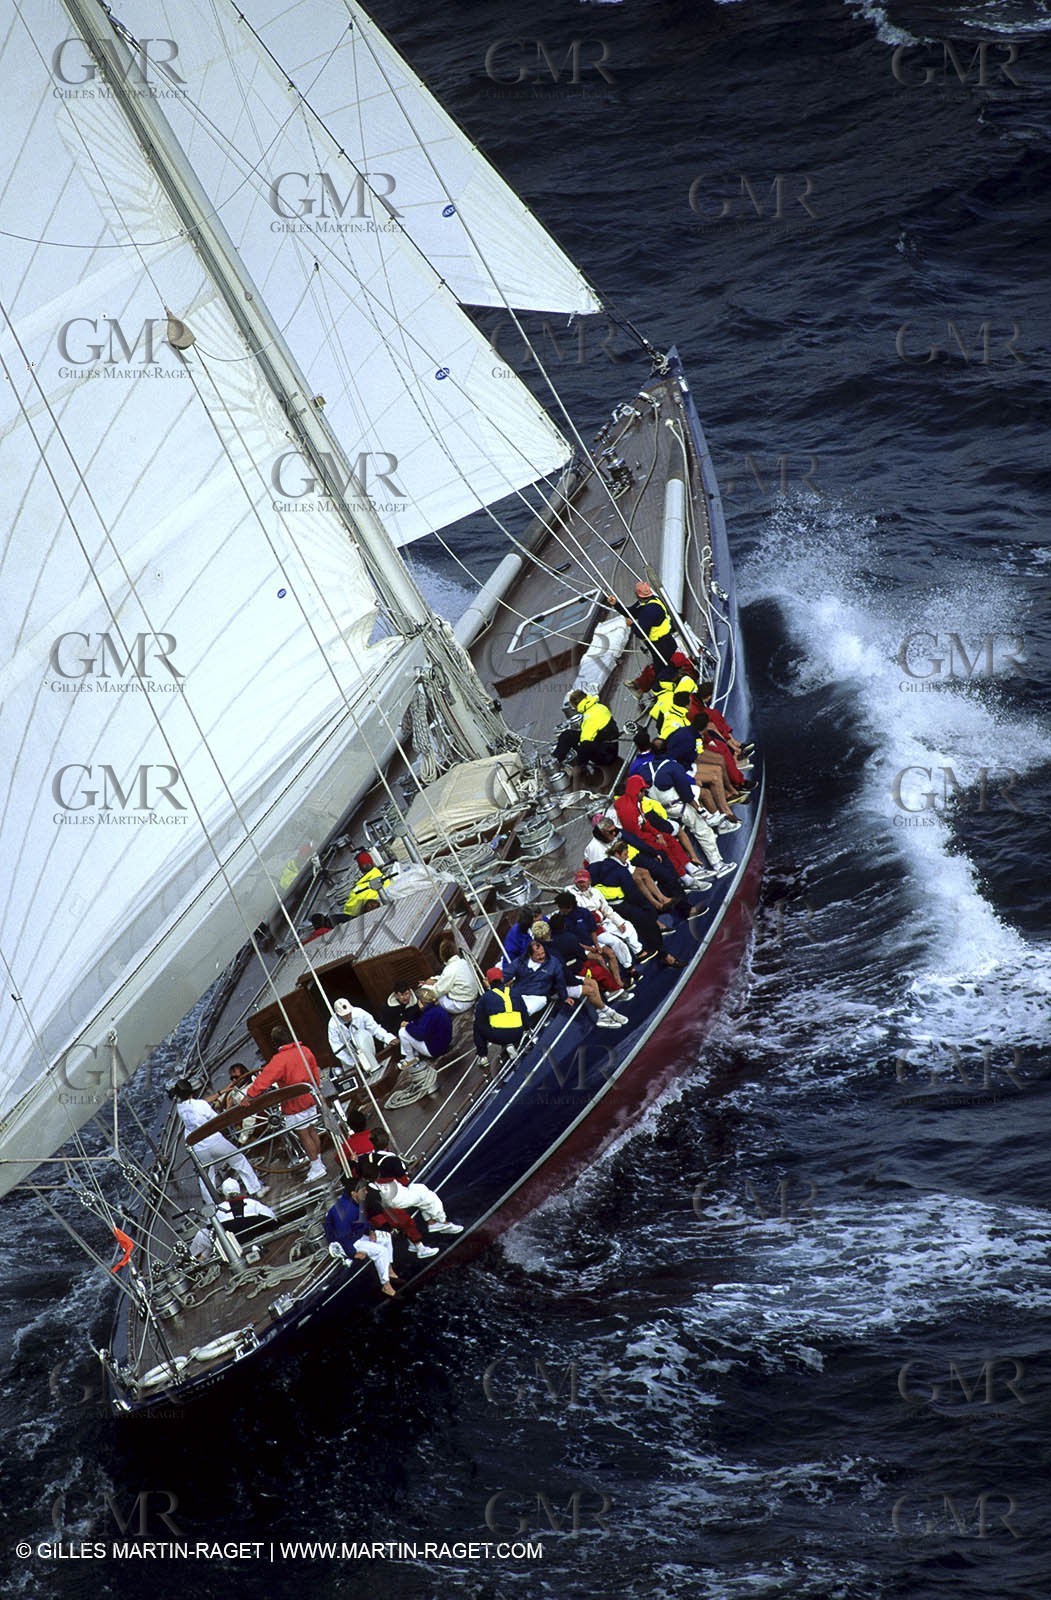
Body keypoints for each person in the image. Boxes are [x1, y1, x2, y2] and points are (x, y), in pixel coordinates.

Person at [245, 1026, 326, 1184]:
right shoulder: (305, 1050)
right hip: (310, 1097)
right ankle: (319, 1162)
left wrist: (249, 1095)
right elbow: (314, 1072)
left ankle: (317, 1167)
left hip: (295, 1103)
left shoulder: (279, 1060)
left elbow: (265, 1078)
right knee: (311, 1130)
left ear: (275, 1043)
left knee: (304, 1135)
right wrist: (316, 1089)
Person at [170, 1078, 267, 1207]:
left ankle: (211, 1205)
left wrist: (221, 1093)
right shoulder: (201, 1105)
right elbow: (216, 1120)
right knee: (238, 1160)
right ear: (192, 1091)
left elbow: (199, 1104)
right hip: (214, 1141)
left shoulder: (180, 1108)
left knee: (206, 1176)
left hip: (198, 1147)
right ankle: (256, 1189)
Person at [587, 844, 684, 967]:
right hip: (617, 905)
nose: (627, 857)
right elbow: (633, 894)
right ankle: (664, 955)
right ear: (616, 854)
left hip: (604, 903)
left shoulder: (596, 866)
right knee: (647, 919)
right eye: (625, 855)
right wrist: (649, 909)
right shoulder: (621, 871)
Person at [606, 581, 681, 683]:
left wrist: (632, 624)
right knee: (665, 667)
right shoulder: (651, 602)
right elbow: (631, 612)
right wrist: (616, 604)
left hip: (661, 646)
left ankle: (668, 688)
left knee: (663, 671)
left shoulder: (648, 610)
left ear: (637, 595)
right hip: (666, 641)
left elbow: (641, 633)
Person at [372, 1154, 464, 1236]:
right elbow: (404, 1181)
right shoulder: (389, 1161)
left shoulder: (372, 1164)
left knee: (421, 1188)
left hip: (389, 1194)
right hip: (396, 1196)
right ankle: (442, 1221)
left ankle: (432, 1223)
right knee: (430, 1197)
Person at [395, 986, 453, 1099]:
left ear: (421, 1002)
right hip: (444, 1045)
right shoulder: (437, 1010)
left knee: (402, 1032)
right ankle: (413, 1055)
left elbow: (420, 1035)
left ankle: (409, 1058)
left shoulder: (429, 1014)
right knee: (410, 1028)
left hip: (434, 1050)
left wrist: (408, 1026)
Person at [328, 997, 396, 1084]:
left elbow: (374, 1028)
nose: (348, 1016)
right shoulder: (333, 1025)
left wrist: (388, 1038)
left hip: (366, 1048)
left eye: (349, 1014)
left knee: (360, 1035)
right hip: (349, 1057)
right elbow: (337, 1048)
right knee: (359, 1082)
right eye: (344, 1015)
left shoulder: (360, 1013)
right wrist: (353, 1063)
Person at [473, 966, 529, 1063]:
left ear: (488, 982)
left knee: (477, 1025)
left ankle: (482, 1057)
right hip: (518, 1033)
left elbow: (480, 1020)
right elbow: (524, 1012)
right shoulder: (514, 992)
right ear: (502, 979)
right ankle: (509, 1044)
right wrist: (527, 1029)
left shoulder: (485, 998)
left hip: (498, 1036)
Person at [553, 690, 620, 769]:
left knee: (583, 745)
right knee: (568, 734)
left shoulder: (589, 718)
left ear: (575, 705)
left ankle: (578, 770)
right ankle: (556, 760)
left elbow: (585, 742)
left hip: (607, 756)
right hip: (611, 747)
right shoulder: (600, 706)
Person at [426, 936, 482, 1014]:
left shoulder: (449, 970)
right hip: (472, 997)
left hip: (461, 1004)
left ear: (442, 955)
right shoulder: (463, 962)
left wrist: (426, 986)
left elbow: (438, 990)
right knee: (446, 985)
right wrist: (435, 979)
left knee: (439, 997)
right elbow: (448, 978)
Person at [342, 850, 391, 918]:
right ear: (373, 863)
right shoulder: (386, 879)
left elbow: (350, 912)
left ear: (360, 869)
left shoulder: (357, 891)